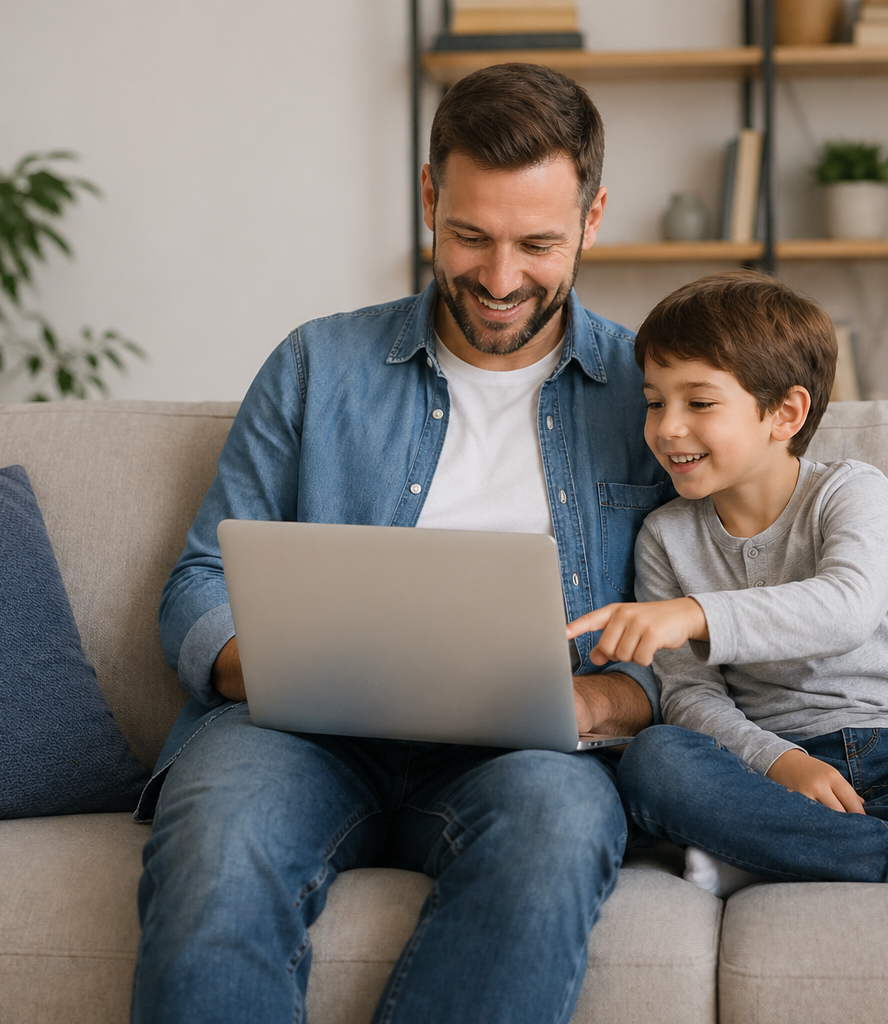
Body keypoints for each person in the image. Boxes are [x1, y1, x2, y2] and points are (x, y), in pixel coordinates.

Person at [133, 64, 672, 1024]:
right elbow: (197, 582)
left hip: (526, 760)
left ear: (592, 220)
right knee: (220, 837)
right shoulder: (314, 365)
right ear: (429, 197)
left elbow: (708, 611)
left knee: (562, 823)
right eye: (470, 235)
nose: (501, 280)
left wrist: (612, 694)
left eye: (538, 243)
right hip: (299, 739)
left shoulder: (655, 396)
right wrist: (291, 663)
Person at [566, 271, 888, 896]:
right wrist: (781, 762)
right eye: (655, 402)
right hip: (772, 767)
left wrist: (693, 614)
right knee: (657, 759)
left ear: (786, 412)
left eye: (699, 402)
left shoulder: (851, 489)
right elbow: (691, 697)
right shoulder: (665, 536)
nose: (666, 428)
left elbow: (847, 609)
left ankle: (777, 850)